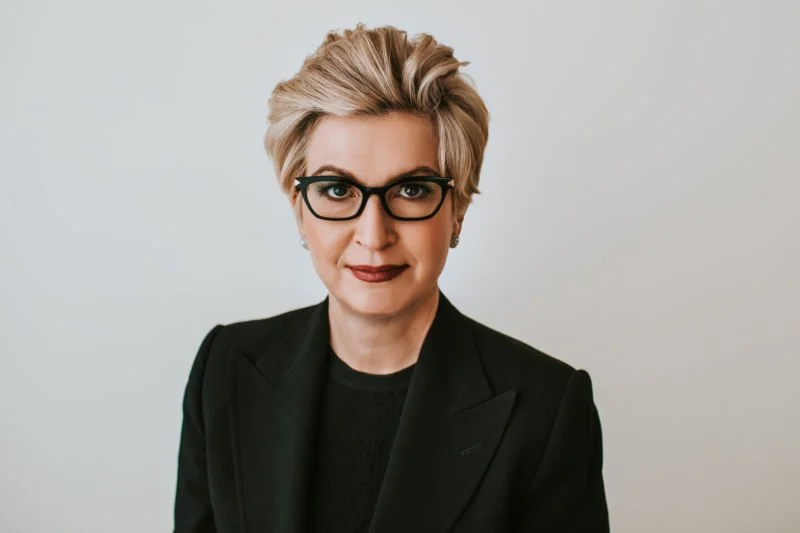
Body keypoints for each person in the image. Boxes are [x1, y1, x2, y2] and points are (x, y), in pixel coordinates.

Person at [173, 23, 609, 533]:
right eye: (337, 190)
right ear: (300, 210)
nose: (374, 234)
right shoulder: (224, 368)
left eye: (412, 190)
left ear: (458, 211)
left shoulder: (547, 407)